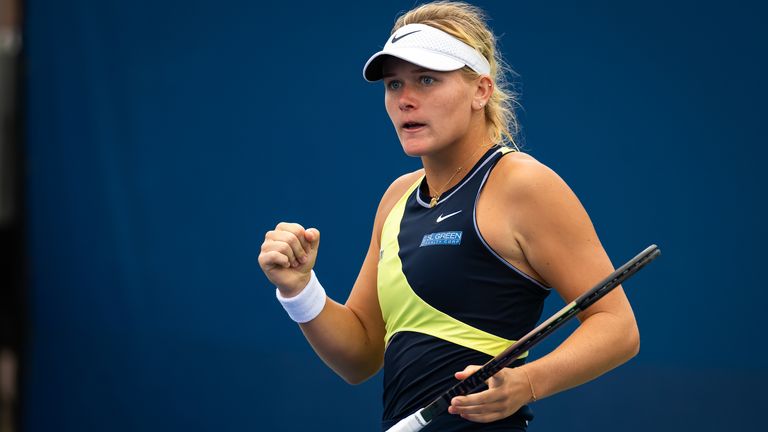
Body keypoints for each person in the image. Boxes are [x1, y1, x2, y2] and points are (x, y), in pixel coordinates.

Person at [258, 2, 639, 430]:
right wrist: (299, 289)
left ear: (481, 90)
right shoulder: (397, 198)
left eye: (426, 80)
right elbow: (360, 356)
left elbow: (617, 327)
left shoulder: (523, 185)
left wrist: (528, 381)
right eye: (393, 84)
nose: (404, 99)